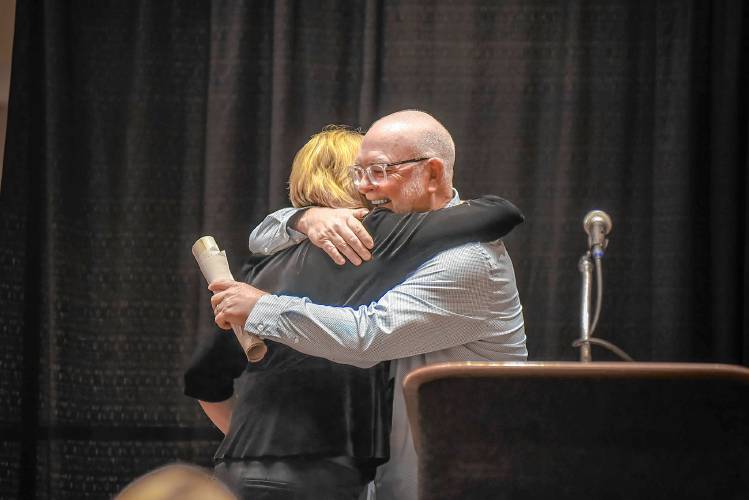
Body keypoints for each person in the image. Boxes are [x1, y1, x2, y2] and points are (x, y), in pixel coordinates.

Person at [186, 125, 524, 499]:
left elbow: (203, 376)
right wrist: (302, 220)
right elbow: (499, 211)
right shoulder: (373, 241)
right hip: (334, 474)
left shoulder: (263, 265)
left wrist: (258, 446)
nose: (366, 186)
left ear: (431, 172)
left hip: (245, 463)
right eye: (357, 174)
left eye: (378, 171)